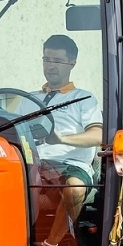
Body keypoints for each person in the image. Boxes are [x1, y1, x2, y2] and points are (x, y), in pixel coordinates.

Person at [34, 34, 103, 215]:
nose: (50, 66)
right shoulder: (29, 99)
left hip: (70, 165)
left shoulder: (83, 98)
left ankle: (52, 243)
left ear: (72, 63)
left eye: (57, 61)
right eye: (46, 59)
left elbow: (98, 135)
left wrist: (61, 139)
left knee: (74, 189)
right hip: (31, 164)